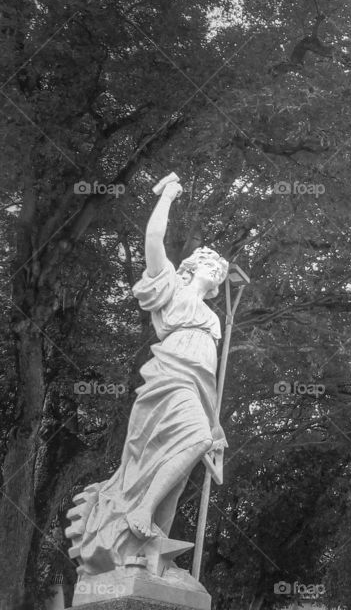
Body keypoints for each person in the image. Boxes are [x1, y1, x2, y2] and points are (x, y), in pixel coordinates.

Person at [67, 178, 229, 575]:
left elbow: (209, 367)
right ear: (193, 266)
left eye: (221, 274)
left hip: (198, 388)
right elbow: (154, 238)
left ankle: (147, 555)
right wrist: (169, 196)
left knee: (178, 475)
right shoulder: (170, 285)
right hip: (169, 380)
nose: (217, 274)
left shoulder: (213, 317)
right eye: (212, 265)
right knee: (195, 439)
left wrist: (215, 417)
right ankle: (138, 509)